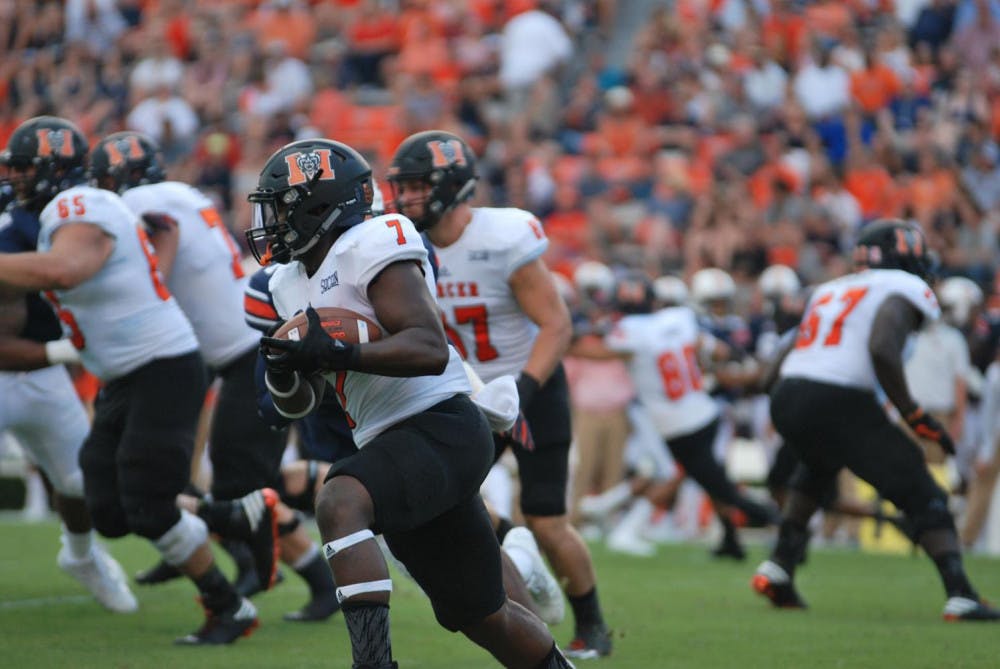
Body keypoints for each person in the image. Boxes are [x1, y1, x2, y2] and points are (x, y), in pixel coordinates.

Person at [247, 137, 574, 668]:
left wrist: (335, 349)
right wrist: (286, 370)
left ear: (319, 204)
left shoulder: (374, 239)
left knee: (340, 500)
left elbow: (426, 346)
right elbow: (298, 404)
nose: (273, 219)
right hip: (388, 437)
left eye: (282, 206)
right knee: (483, 616)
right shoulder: (286, 283)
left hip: (440, 421)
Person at [0, 116, 258, 644]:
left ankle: (228, 606)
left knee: (147, 504)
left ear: (54, 171)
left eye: (24, 169)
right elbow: (158, 231)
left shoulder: (79, 206)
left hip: (160, 369)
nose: (15, 179)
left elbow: (63, 272)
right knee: (107, 506)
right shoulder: (81, 208)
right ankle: (226, 515)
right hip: (128, 375)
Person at [88, 131, 337, 622]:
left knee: (242, 486)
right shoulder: (177, 192)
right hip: (229, 349)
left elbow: (163, 242)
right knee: (189, 472)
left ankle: (294, 570)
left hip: (249, 351)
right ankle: (247, 560)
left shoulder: (142, 204)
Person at [388, 130, 611, 658]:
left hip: (527, 384)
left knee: (549, 519)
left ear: (453, 186)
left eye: (419, 186)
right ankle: (514, 542)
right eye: (405, 186)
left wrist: (523, 392)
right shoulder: (402, 245)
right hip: (464, 393)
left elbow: (557, 325)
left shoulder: (502, 236)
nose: (407, 197)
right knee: (443, 498)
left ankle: (593, 625)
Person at [751, 219, 1000, 621]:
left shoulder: (829, 289)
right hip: (838, 395)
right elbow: (883, 347)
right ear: (904, 257)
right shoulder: (904, 287)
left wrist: (790, 399)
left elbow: (775, 365)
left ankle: (779, 567)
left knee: (817, 467)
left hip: (789, 394)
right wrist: (913, 413)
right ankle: (961, 594)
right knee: (923, 490)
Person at [0, 175, 137, 615]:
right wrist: (68, 348)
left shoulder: (71, 222)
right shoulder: (17, 230)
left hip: (47, 376)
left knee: (80, 482)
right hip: (24, 366)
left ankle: (81, 556)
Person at [572, 271, 779, 560]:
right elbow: (716, 350)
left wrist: (577, 333)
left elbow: (591, 351)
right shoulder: (678, 318)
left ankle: (782, 522)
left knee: (714, 485)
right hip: (704, 412)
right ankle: (731, 540)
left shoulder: (629, 330)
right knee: (704, 479)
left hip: (678, 426)